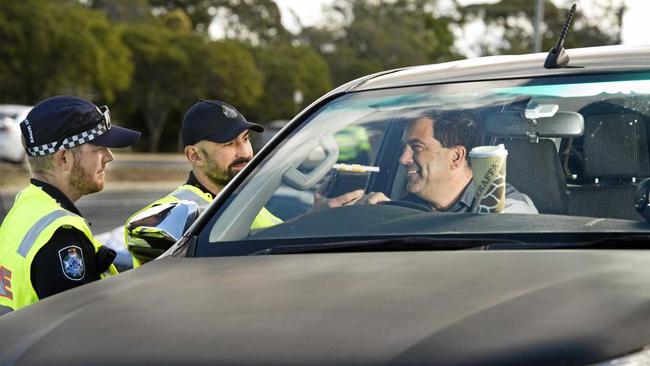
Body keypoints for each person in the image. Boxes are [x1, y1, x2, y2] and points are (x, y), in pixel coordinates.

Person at [0, 96, 141, 315]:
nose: (109, 156)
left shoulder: (26, 206)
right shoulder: (60, 237)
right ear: (63, 158)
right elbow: (82, 333)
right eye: (99, 147)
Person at [125, 100, 281, 267]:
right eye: (229, 144)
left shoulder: (241, 201)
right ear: (195, 156)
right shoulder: (172, 216)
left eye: (246, 139)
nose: (245, 152)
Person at [317, 111, 538, 213]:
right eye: (404, 148)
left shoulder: (506, 209)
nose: (403, 159)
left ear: (456, 157)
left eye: (416, 148)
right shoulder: (407, 204)